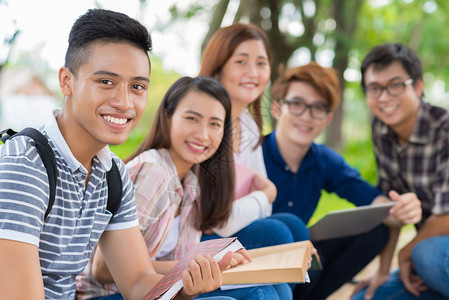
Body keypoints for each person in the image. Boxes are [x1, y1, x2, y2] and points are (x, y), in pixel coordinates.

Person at [0, 9, 234, 299]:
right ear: (66, 81)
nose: (124, 102)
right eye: (106, 82)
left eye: (137, 87)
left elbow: (137, 282)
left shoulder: (112, 174)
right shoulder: (25, 166)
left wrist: (187, 287)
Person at [76, 76, 283, 300]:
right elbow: (102, 270)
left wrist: (213, 260)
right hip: (109, 295)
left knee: (270, 288)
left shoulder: (192, 182)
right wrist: (191, 266)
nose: (203, 134)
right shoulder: (153, 172)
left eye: (214, 124)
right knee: (255, 294)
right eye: (192, 118)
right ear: (168, 117)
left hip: (164, 289)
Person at [262, 62, 422, 300]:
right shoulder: (254, 154)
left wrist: (402, 208)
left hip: (299, 260)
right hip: (250, 255)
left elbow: (375, 202)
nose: (306, 116)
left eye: (317, 108)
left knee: (376, 231)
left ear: (328, 119)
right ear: (277, 109)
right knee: (298, 246)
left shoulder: (324, 161)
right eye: (296, 104)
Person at [198, 22, 310, 249]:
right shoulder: (203, 123)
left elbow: (265, 207)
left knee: (294, 226)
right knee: (276, 232)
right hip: (193, 238)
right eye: (241, 62)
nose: (253, 73)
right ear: (218, 68)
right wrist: (266, 194)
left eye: (261, 63)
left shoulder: (248, 124)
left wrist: (261, 198)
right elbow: (219, 222)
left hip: (230, 229)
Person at [351, 43, 449, 300]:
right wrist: (383, 270)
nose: (384, 97)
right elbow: (393, 207)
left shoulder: (445, 129)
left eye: (395, 85)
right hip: (432, 257)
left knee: (426, 255)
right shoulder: (382, 130)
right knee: (365, 297)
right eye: (374, 88)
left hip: (436, 253)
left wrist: (405, 254)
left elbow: (446, 217)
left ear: (417, 86)